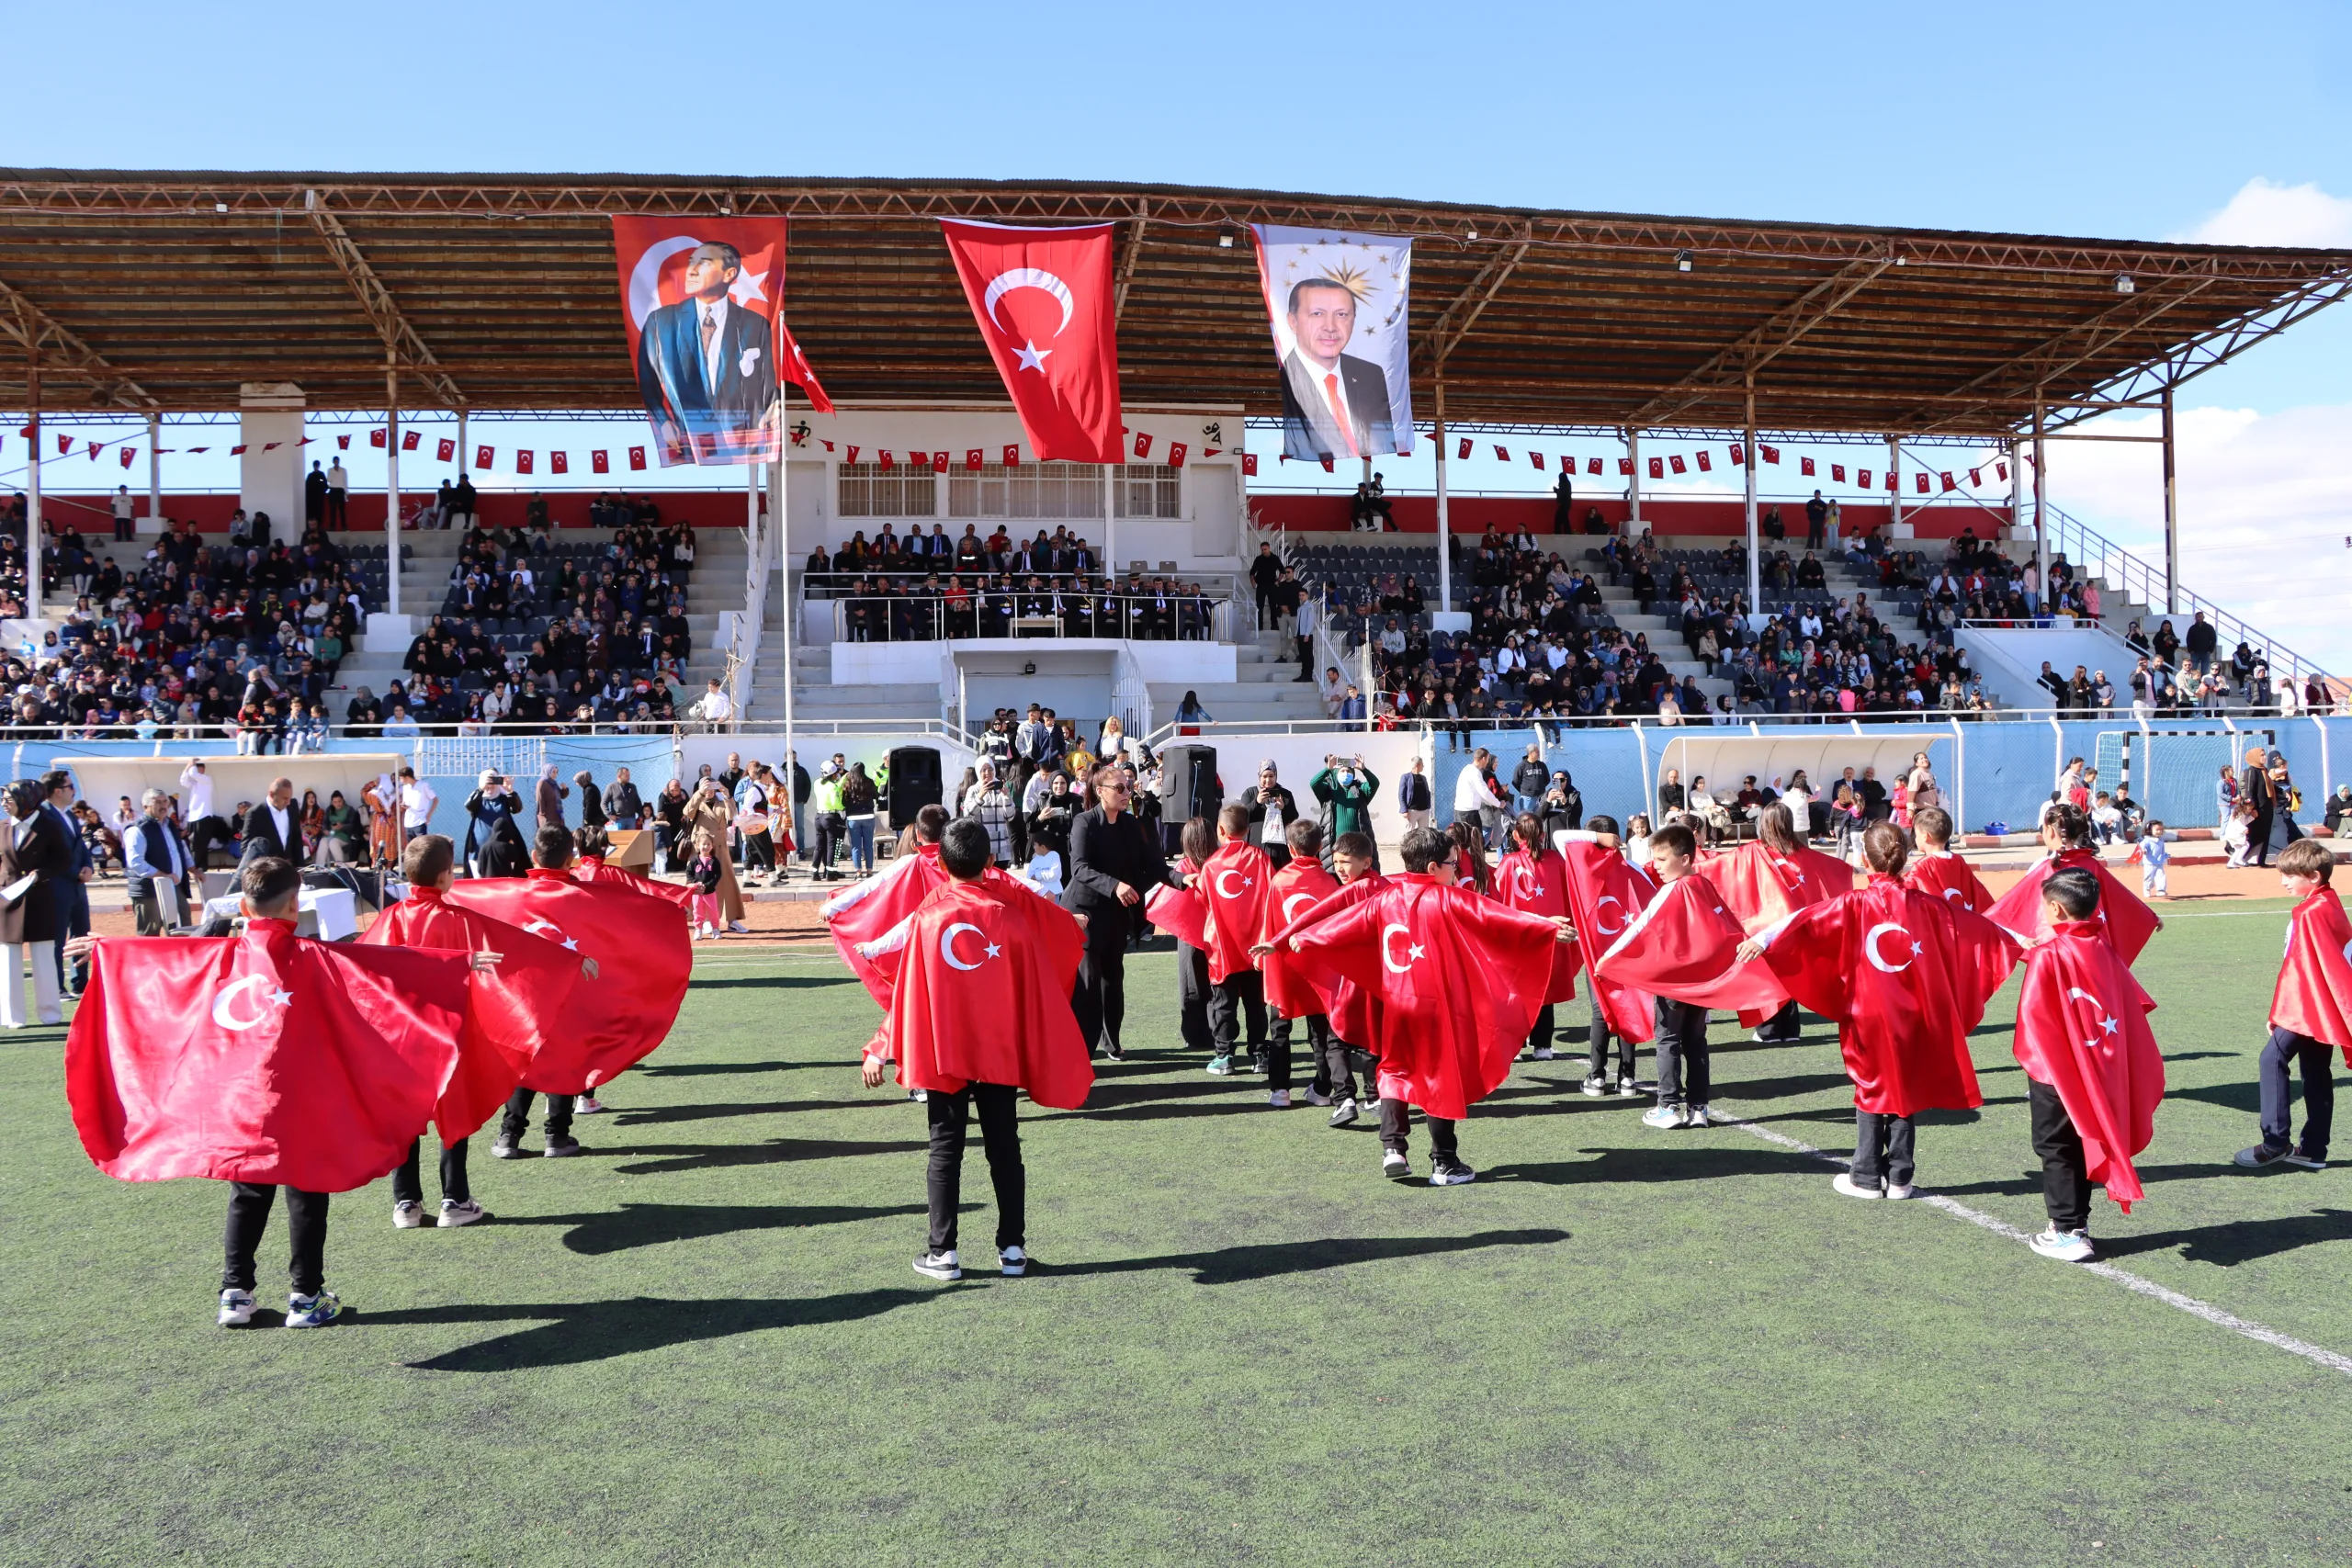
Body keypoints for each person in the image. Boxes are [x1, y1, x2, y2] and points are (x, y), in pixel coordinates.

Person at [64, 856, 489, 1329]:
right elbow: (387, 967)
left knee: (247, 1191)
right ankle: (306, 1297)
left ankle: (235, 1294)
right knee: (307, 1191)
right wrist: (460, 964)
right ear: (294, 904)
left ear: (244, 907)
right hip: (303, 1104)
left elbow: (167, 960)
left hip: (242, 1104)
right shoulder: (317, 955)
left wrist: (108, 949)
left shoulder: (220, 955)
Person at [857, 818, 1093, 1282]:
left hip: (945, 1053)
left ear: (941, 864)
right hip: (998, 1053)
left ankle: (943, 1253)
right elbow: (1038, 987)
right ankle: (1013, 1250)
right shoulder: (1010, 919)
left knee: (944, 1150)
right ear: (990, 862)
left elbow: (907, 994)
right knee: (1004, 1148)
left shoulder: (928, 918)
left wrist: (880, 1047)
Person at [1736, 822, 2022, 1201]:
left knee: (1870, 1087)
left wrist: (1762, 938)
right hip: (1916, 1013)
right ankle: (1900, 1177)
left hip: (1868, 1013)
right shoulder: (1928, 905)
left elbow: (1805, 920)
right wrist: (2022, 940)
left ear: (1864, 859)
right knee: (1907, 1088)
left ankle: (1866, 1176)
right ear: (1904, 858)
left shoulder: (1852, 904)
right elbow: (1981, 928)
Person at [1282, 824, 1574, 1184]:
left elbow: (1345, 922)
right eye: (1453, 864)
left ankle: (1393, 1148)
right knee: (1440, 1078)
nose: (1457, 870)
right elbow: (1496, 917)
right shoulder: (1447, 898)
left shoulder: (1387, 897)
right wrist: (1544, 925)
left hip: (1397, 1006)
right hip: (1437, 1008)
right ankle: (1444, 1162)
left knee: (1394, 1070)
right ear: (1434, 868)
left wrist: (1308, 937)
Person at [2013, 866, 2165, 1262]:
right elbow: (2127, 1007)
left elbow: (2034, 1019)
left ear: (2056, 910)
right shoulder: (2103, 949)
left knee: (2054, 1145)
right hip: (2098, 1066)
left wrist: (2044, 1067)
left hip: (2056, 1073)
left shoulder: (2049, 954)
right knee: (2084, 1139)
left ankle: (2067, 1230)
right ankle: (2075, 1224)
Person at [2236, 839, 2352, 1174]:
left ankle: (2275, 1142)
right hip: (2323, 1004)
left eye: (2289, 875)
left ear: (2313, 876)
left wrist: (2278, 1012)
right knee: (2316, 1072)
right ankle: (2314, 1149)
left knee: (2271, 1058)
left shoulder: (2309, 912)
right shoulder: (2328, 902)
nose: (2283, 881)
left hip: (2307, 1004)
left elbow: (2297, 968)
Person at [1063, 762, 1182, 1061]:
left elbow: (1154, 865)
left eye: (1127, 787)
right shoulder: (1084, 822)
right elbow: (1079, 868)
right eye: (1119, 788)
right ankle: (1082, 1050)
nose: (1126, 792)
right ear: (1100, 791)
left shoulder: (1131, 825)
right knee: (1089, 982)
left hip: (1116, 914)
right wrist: (1115, 885)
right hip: (1084, 913)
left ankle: (1112, 1041)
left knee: (1113, 980)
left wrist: (1184, 879)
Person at [633, 241, 783, 459]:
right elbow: (648, 381)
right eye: (691, 262)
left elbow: (768, 377)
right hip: (686, 440)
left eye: (703, 264)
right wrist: (663, 421)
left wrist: (775, 402)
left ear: (729, 273)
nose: (691, 271)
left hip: (741, 439)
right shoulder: (661, 322)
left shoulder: (754, 324)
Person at [1274, 276, 1397, 462]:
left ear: (1354, 320)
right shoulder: (1284, 377)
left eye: (1341, 315)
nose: (1330, 327)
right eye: (1317, 314)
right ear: (1293, 321)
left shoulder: (1371, 375)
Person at [1197, 804, 1274, 1084]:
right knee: (1256, 1004)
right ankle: (1259, 1055)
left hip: (1223, 948)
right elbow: (1272, 894)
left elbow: (1202, 900)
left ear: (1220, 830)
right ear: (1248, 829)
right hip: (1255, 947)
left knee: (1223, 1004)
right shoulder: (1261, 858)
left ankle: (1225, 1056)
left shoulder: (1211, 865)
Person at [1496, 814, 1579, 1062]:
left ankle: (1516, 1044)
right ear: (1543, 835)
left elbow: (1496, 896)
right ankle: (1543, 1045)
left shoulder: (1508, 862)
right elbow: (1572, 892)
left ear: (1515, 835)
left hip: (1519, 936)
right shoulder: (1556, 860)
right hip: (1553, 936)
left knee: (1517, 990)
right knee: (1545, 989)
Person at [0, 779, 69, 1027]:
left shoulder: (49, 826)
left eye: (9, 799)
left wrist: (41, 874)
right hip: (8, 899)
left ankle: (49, 1013)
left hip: (40, 898)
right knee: (8, 958)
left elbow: (63, 861)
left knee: (43, 956)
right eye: (3, 799)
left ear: (26, 800)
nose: (4, 804)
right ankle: (12, 1016)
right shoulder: (2, 826)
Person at [124, 786, 193, 936]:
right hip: (148, 891)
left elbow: (180, 848)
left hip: (174, 886)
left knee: (183, 929)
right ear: (145, 806)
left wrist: (193, 868)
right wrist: (164, 876)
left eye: (165, 801)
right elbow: (136, 862)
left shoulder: (170, 825)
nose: (163, 806)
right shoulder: (137, 829)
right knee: (150, 934)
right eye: (158, 802)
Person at [1903, 807, 1990, 914]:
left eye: (1916, 834)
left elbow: (1904, 893)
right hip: (1962, 920)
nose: (1915, 838)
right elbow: (1979, 893)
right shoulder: (1958, 860)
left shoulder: (1923, 866)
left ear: (1925, 836)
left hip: (1941, 922)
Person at [1311, 752, 1379, 852]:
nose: (1346, 773)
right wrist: (1328, 769)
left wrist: (1364, 769)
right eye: (1342, 771)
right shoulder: (1328, 791)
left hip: (1357, 844)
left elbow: (1375, 783)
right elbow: (1314, 783)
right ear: (1336, 774)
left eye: (1349, 771)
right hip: (1335, 843)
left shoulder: (1360, 789)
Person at [180, 759, 232, 871]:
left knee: (200, 844)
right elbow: (183, 781)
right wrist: (188, 766)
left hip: (203, 816)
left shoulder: (207, 780)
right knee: (194, 844)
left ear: (203, 769)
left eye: (198, 768)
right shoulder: (194, 783)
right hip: (193, 817)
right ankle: (200, 867)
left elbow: (193, 774)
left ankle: (198, 867)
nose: (196, 770)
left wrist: (191, 765)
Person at [1396, 757, 1434, 833]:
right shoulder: (1406, 777)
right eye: (1422, 764)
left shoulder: (1423, 778)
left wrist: (1428, 807)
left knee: (1425, 834)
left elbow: (1427, 792)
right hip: (1411, 811)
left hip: (1424, 811)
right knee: (1409, 834)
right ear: (1417, 765)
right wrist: (1404, 810)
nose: (1423, 766)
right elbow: (1401, 794)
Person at [2136, 819, 2170, 899]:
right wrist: (2143, 850)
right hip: (2149, 863)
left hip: (2159, 862)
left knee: (2161, 876)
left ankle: (2161, 890)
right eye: (2157, 830)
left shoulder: (2161, 841)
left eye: (2161, 830)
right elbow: (2141, 846)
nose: (2159, 832)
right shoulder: (2147, 840)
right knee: (2149, 877)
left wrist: (2165, 855)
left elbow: (2162, 851)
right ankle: (2147, 888)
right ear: (2149, 830)